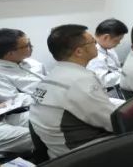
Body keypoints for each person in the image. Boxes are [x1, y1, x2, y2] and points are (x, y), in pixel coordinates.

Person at [29, 24, 118, 158]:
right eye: (93, 42)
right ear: (79, 51)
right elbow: (112, 121)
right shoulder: (80, 80)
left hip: (57, 152)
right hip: (82, 155)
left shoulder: (53, 75)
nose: (96, 45)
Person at [87, 18, 128, 92]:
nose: (119, 43)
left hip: (119, 81)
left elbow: (115, 66)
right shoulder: (94, 56)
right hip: (107, 90)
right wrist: (124, 72)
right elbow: (104, 81)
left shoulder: (107, 47)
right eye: (117, 40)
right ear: (106, 37)